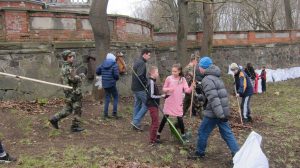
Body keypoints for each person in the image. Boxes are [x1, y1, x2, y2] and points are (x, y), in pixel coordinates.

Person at [189, 57, 240, 159]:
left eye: (200, 67)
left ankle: (200, 153)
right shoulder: (216, 77)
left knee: (202, 131)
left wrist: (220, 115)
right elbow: (212, 96)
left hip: (214, 112)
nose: (199, 69)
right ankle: (237, 154)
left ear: (203, 68)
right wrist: (200, 96)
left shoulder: (207, 80)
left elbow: (214, 99)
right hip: (221, 110)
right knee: (227, 133)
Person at [49, 50, 85, 132]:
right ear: (66, 58)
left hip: (69, 92)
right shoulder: (68, 68)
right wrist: (81, 76)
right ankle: (75, 126)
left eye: (72, 56)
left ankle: (54, 119)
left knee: (68, 109)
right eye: (70, 57)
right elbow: (73, 79)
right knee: (77, 108)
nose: (72, 58)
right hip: (73, 92)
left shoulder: (66, 67)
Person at [156, 64, 193, 142]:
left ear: (179, 71)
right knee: (165, 118)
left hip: (178, 102)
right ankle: (158, 134)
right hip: (169, 101)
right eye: (172, 71)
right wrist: (169, 89)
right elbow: (164, 89)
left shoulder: (182, 79)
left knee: (180, 118)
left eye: (175, 71)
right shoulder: (169, 78)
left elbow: (187, 90)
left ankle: (183, 135)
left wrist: (191, 87)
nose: (173, 73)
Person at [131, 49, 151, 131]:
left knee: (137, 104)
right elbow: (140, 76)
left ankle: (136, 124)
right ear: (144, 54)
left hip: (135, 88)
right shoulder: (142, 63)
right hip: (140, 88)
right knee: (147, 104)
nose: (149, 57)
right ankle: (135, 121)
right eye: (149, 55)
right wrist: (146, 83)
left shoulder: (137, 61)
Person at [96, 53, 120, 119]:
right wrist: (116, 79)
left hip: (105, 84)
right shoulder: (114, 64)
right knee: (115, 97)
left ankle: (105, 114)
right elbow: (116, 75)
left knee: (107, 98)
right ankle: (114, 113)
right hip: (112, 84)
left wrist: (102, 73)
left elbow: (97, 71)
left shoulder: (103, 64)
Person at [146, 66, 166, 145]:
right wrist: (161, 96)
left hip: (154, 105)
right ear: (152, 73)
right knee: (155, 123)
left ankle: (153, 138)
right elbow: (151, 95)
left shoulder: (152, 81)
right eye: (157, 72)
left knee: (155, 122)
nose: (158, 74)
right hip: (152, 105)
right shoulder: (151, 82)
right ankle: (152, 140)